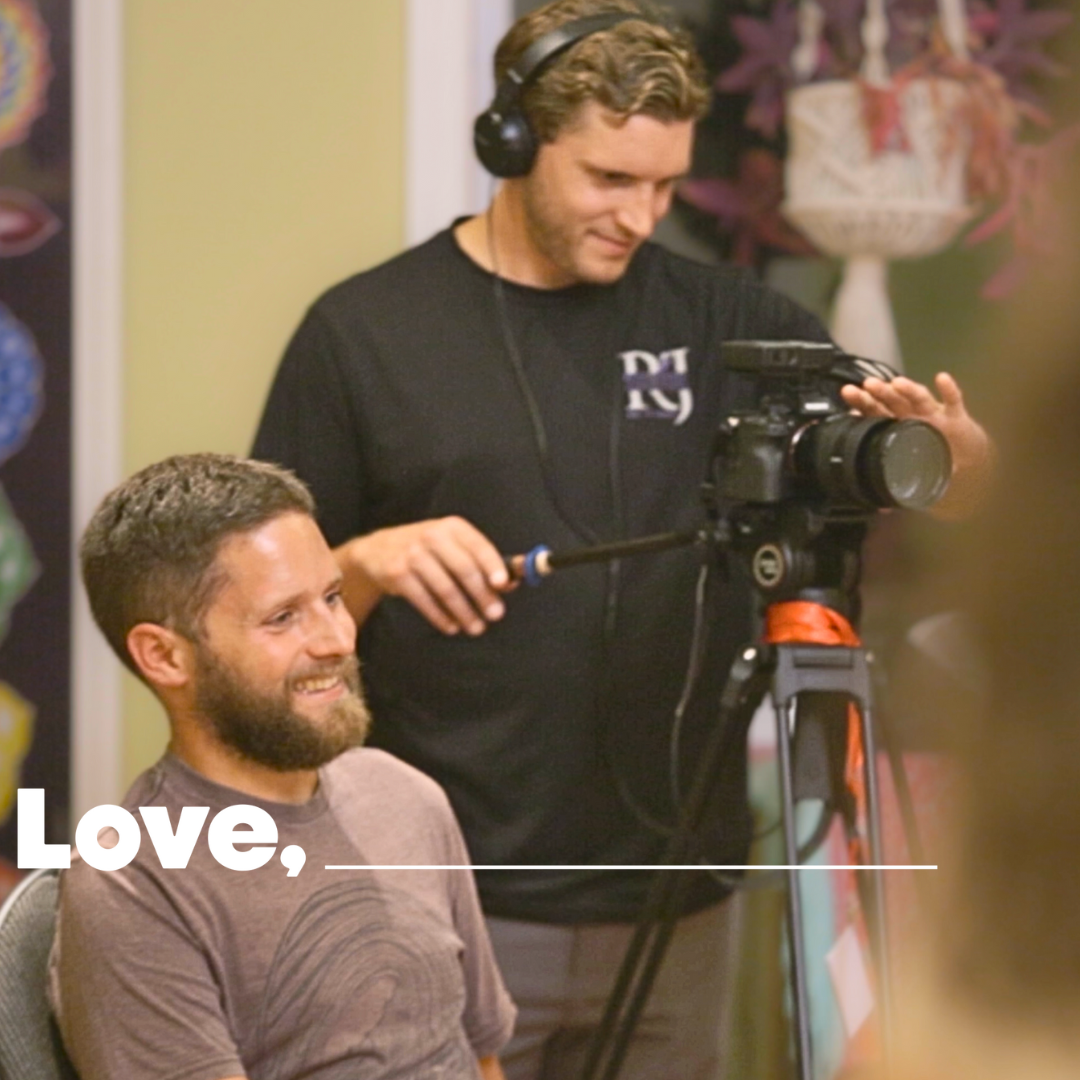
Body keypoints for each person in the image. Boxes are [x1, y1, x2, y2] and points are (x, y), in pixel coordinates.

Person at [251, 2, 990, 1076]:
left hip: (681, 906)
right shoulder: (362, 336)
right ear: (514, 142)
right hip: (446, 902)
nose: (640, 216)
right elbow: (255, 628)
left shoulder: (732, 326)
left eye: (663, 186)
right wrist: (362, 567)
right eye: (608, 179)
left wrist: (962, 462)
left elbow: (923, 489)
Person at [49, 454, 515, 1080]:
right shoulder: (134, 884)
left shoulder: (406, 796)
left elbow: (480, 1057)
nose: (337, 640)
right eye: (283, 617)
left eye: (331, 598)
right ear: (163, 656)